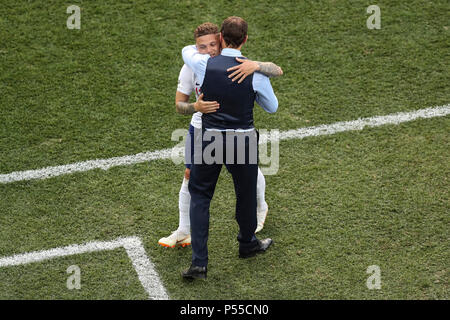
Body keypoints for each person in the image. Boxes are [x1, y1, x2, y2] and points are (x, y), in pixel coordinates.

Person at [158, 22, 282, 248]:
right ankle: (184, 230)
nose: (207, 50)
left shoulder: (233, 65)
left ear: (222, 41)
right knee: (189, 173)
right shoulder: (192, 65)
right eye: (201, 47)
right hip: (200, 127)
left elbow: (276, 70)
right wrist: (196, 108)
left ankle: (260, 206)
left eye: (212, 44)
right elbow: (179, 105)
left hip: (232, 131)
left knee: (246, 172)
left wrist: (255, 65)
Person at [180, 16, 278, 280]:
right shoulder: (255, 73)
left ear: (221, 38)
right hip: (242, 141)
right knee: (245, 194)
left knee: (200, 196)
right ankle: (247, 243)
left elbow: (186, 51)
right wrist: (257, 67)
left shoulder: (202, 63)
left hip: (209, 138)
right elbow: (272, 107)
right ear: (245, 39)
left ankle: (199, 263)